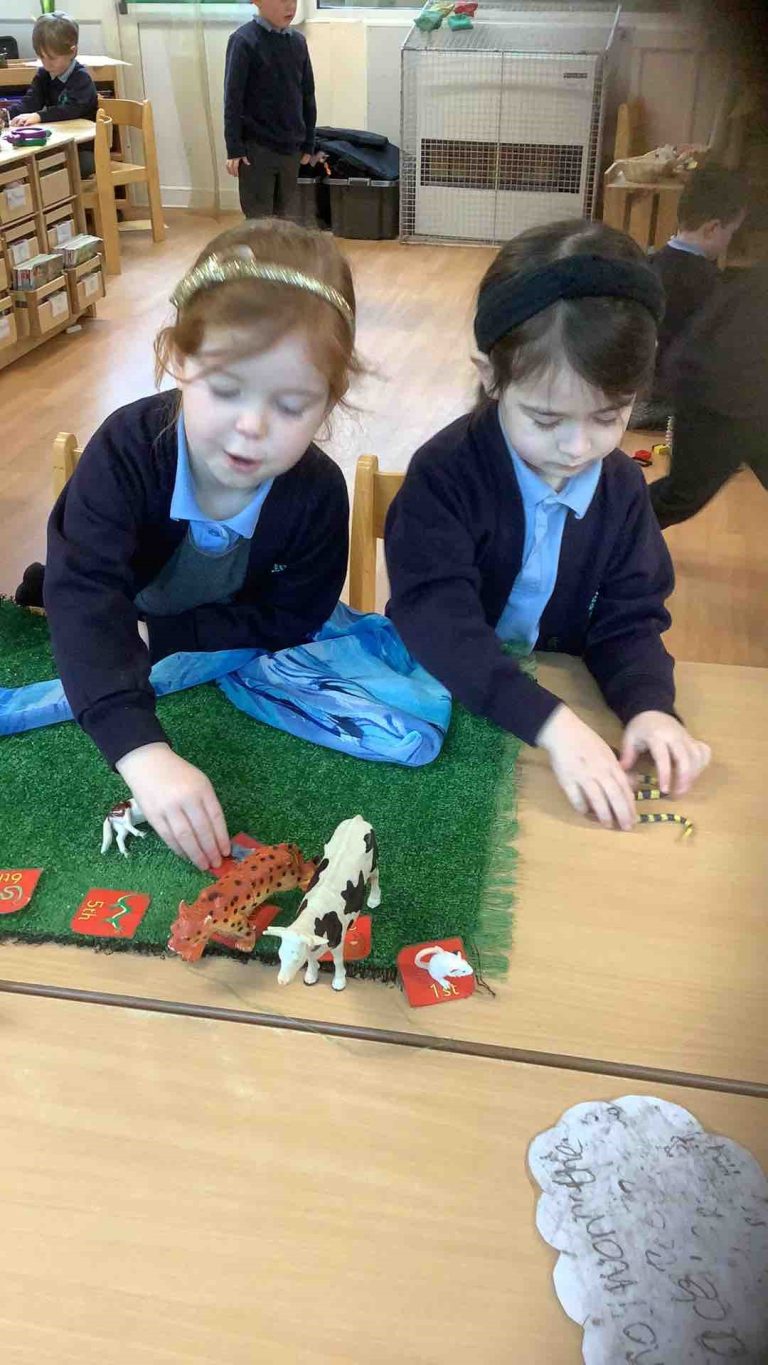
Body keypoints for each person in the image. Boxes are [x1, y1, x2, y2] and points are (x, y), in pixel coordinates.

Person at [41, 218, 359, 871]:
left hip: (220, 666)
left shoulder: (319, 496)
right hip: (113, 652)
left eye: (292, 405)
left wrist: (166, 636)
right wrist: (141, 752)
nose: (252, 426)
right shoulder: (125, 451)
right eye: (226, 388)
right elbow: (84, 598)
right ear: (178, 360)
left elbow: (292, 618)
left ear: (330, 403)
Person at [385, 219, 711, 833]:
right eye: (545, 418)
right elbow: (436, 620)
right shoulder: (445, 474)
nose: (578, 447)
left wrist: (649, 705)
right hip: (448, 702)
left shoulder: (622, 488)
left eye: (608, 417)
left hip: (552, 707)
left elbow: (629, 620)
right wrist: (551, 723)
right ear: (489, 376)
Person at [629, 164, 748, 430]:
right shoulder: (714, 287)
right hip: (672, 409)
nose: (729, 241)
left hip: (634, 400)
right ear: (713, 228)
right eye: (731, 233)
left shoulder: (646, 265)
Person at [649, 262, 768, 526]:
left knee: (680, 496)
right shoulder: (754, 289)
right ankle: (598, 533)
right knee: (680, 496)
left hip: (737, 398)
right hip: (722, 402)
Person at [223, 0, 316, 221]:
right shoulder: (243, 41)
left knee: (287, 218)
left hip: (291, 147)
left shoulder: (298, 43)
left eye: (293, 0)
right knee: (259, 219)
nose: (290, 6)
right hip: (256, 150)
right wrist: (234, 148)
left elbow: (307, 95)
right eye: (282, 0)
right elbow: (233, 99)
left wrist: (308, 142)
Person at [9, 13, 98, 176]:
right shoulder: (44, 74)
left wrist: (39, 116)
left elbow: (71, 110)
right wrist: (6, 115)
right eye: (42, 57)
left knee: (54, 168)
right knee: (25, 164)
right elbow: (30, 102)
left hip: (83, 148)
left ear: (72, 52)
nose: (46, 64)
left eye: (52, 58)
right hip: (57, 144)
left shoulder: (81, 78)